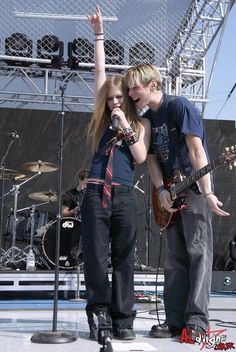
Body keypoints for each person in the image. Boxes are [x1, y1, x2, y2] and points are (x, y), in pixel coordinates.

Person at [124, 63, 230, 340]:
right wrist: (160, 190)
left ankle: (196, 321)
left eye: (136, 86)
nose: (130, 92)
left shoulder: (179, 106)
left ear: (153, 86)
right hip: (169, 192)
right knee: (174, 259)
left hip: (193, 189)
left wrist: (207, 193)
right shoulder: (147, 118)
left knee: (198, 254)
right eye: (129, 87)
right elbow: (151, 160)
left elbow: (196, 151)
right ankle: (174, 319)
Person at [80, 6, 149, 341]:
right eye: (111, 99)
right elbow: (100, 72)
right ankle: (99, 314)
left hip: (123, 194)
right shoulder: (100, 120)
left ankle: (123, 317)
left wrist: (126, 126)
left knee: (124, 258)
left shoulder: (139, 124)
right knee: (95, 257)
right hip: (95, 192)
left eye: (121, 98)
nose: (115, 102)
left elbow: (139, 157)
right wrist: (98, 35)